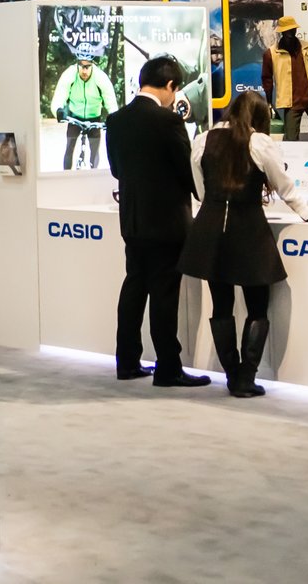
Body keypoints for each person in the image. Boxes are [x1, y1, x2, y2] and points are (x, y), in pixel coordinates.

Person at [181, 92, 308, 398]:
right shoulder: (259, 142)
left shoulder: (203, 140)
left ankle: (232, 374)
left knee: (221, 305)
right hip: (248, 229)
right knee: (256, 305)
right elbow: (285, 186)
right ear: (260, 116)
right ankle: (246, 378)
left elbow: (199, 189)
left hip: (209, 229)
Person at [104, 55, 211, 388]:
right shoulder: (168, 122)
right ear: (170, 87)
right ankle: (168, 367)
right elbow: (187, 170)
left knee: (134, 286)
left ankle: (127, 361)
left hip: (133, 220)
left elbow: (116, 170)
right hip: (167, 223)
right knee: (165, 294)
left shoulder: (117, 119)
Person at [261, 16, 308, 139]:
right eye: (287, 31)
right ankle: (293, 158)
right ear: (281, 32)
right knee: (291, 138)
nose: (290, 33)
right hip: (291, 102)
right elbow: (267, 79)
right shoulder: (271, 54)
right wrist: (269, 103)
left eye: (292, 30)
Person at [51, 55, 117, 168]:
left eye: (87, 67)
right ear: (77, 64)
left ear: (92, 65)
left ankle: (94, 174)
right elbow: (59, 96)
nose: (84, 70)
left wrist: (113, 117)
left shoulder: (100, 77)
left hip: (94, 118)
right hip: (74, 117)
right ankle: (66, 176)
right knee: (69, 148)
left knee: (94, 151)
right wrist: (58, 110)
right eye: (81, 66)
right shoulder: (70, 74)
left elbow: (110, 100)